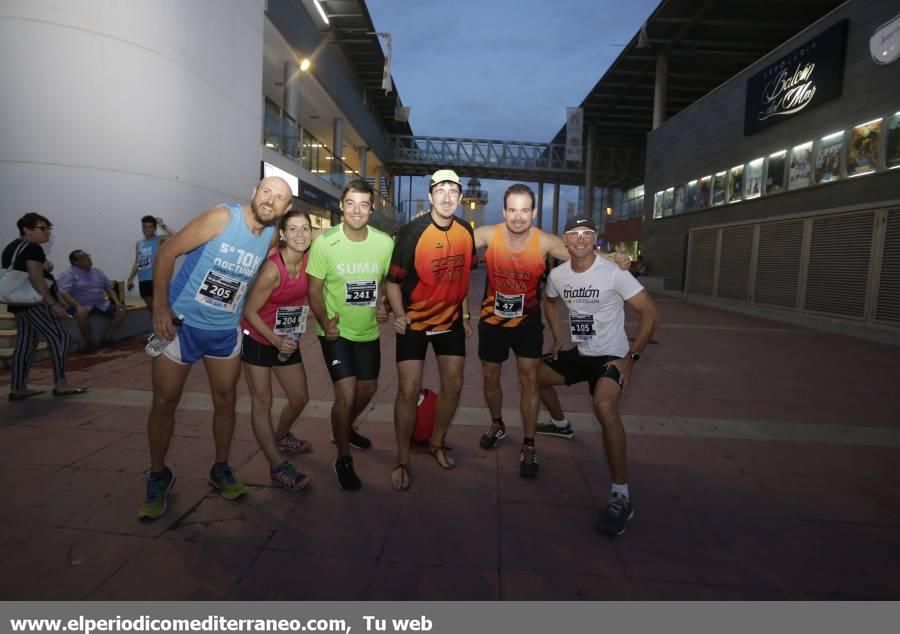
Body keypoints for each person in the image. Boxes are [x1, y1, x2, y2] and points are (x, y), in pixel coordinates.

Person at [138, 176, 292, 521]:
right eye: (266, 191)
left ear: (286, 208)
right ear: (254, 192)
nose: (270, 200)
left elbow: (257, 282)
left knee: (226, 402)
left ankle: (221, 468)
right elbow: (168, 251)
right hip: (181, 325)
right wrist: (160, 306)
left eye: (279, 197)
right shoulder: (223, 217)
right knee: (164, 402)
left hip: (224, 331)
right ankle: (158, 474)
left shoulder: (270, 237)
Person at [538, 217, 660, 536]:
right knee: (534, 376)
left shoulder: (614, 273)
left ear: (595, 239)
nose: (580, 239)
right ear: (565, 240)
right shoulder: (558, 276)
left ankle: (621, 494)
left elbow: (650, 312)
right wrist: (557, 336)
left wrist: (631, 358)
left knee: (604, 408)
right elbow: (548, 302)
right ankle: (562, 425)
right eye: (574, 234)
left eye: (586, 234)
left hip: (611, 356)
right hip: (581, 352)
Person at [385, 169, 476, 491]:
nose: (448, 196)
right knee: (409, 390)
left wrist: (464, 316)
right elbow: (392, 283)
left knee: (454, 385)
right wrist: (398, 314)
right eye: (441, 190)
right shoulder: (412, 232)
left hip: (449, 320)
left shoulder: (466, 230)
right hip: (414, 320)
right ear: (431, 196)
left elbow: (461, 279)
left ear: (461, 197)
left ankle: (437, 442)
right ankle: (402, 459)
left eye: (454, 191)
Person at [306, 179, 393, 491]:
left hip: (367, 331)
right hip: (335, 332)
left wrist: (384, 304)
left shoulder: (384, 243)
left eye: (364, 204)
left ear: (371, 208)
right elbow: (313, 290)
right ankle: (343, 458)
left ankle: (343, 428)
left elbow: (385, 281)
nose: (357, 210)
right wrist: (325, 321)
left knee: (367, 390)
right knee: (345, 394)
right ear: (341, 207)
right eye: (351, 203)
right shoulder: (324, 243)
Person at [240, 209, 314, 491]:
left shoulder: (310, 262)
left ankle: (281, 435)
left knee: (300, 397)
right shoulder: (273, 269)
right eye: (292, 229)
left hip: (286, 337)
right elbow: (250, 310)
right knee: (262, 404)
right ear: (282, 234)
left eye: (305, 228)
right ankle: (276, 467)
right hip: (258, 336)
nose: (299, 234)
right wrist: (274, 339)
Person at [2, 213, 86, 400]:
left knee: (26, 342)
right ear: (27, 230)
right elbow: (36, 278)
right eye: (42, 228)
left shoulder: (12, 247)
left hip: (19, 303)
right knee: (60, 336)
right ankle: (61, 384)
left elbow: (35, 272)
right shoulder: (32, 248)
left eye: (49, 228)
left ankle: (18, 387)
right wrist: (54, 304)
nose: (47, 232)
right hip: (34, 303)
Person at [56, 250, 127, 352]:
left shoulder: (98, 272)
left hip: (100, 304)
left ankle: (106, 338)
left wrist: (117, 302)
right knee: (81, 313)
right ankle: (90, 342)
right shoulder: (68, 274)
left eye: (88, 255)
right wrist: (78, 306)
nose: (88, 258)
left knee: (121, 311)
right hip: (80, 305)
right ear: (75, 262)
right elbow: (63, 293)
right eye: (84, 257)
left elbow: (109, 288)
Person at [127, 215, 172, 312]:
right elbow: (137, 262)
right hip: (143, 280)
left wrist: (163, 225)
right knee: (151, 310)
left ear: (155, 228)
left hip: (157, 279)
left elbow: (176, 236)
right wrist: (130, 278)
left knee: (161, 310)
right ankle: (155, 327)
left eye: (149, 227)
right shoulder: (139, 243)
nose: (146, 229)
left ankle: (167, 327)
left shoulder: (159, 239)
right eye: (144, 226)